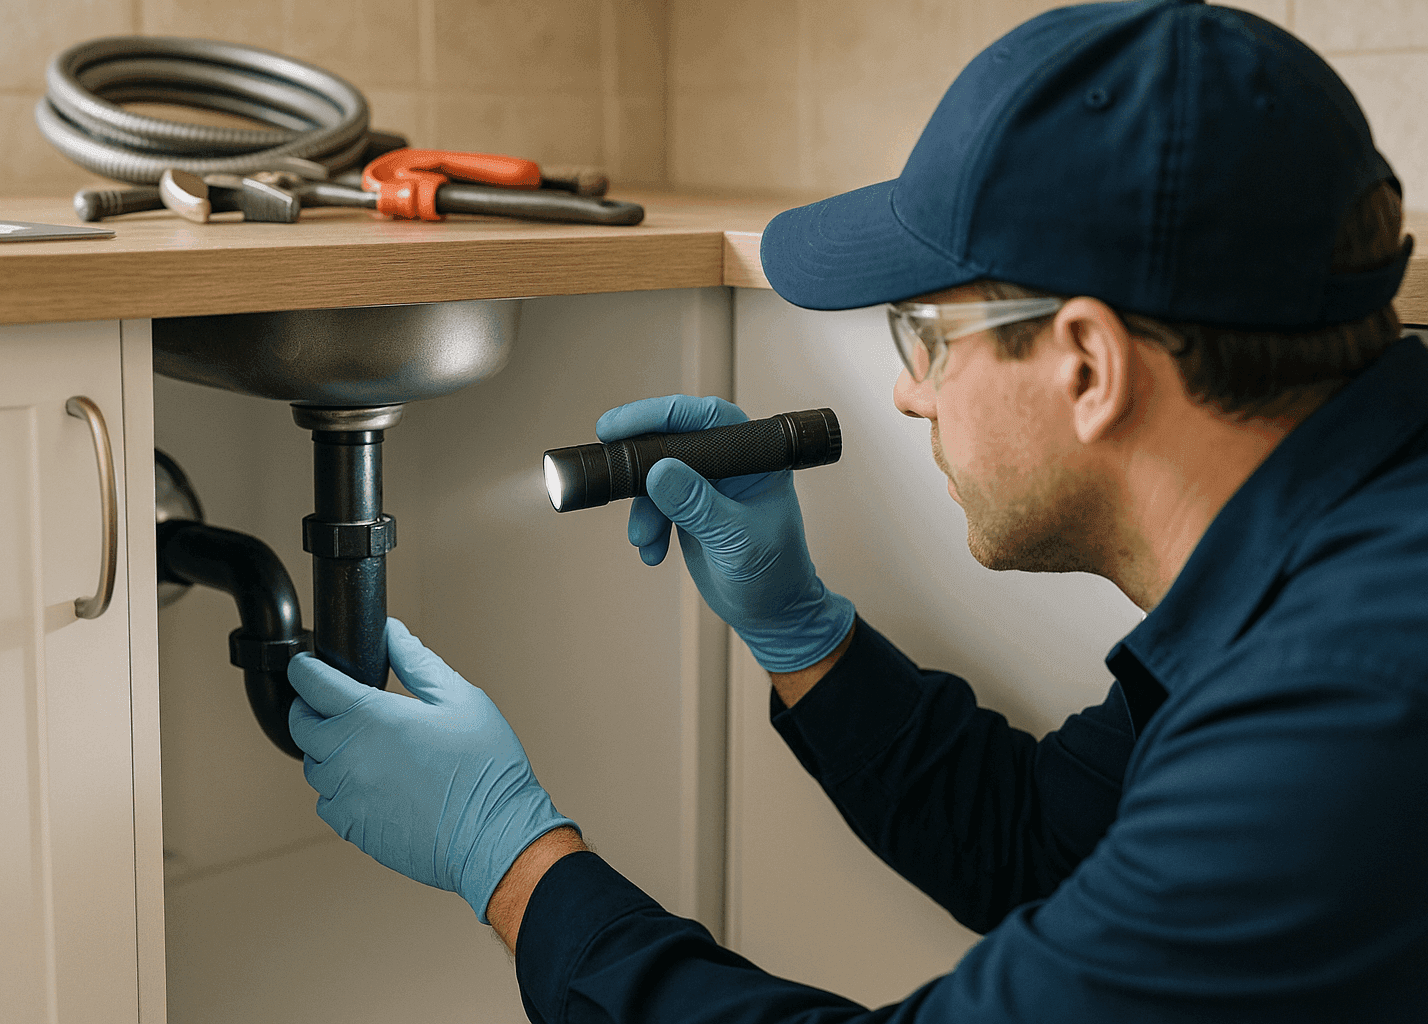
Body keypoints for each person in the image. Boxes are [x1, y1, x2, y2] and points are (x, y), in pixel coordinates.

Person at [284, 0, 1428, 1020]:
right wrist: (804, 635)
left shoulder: (1345, 708)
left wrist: (510, 857)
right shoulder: (1330, 557)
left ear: (1088, 364)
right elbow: (1046, 844)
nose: (906, 390)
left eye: (928, 336)